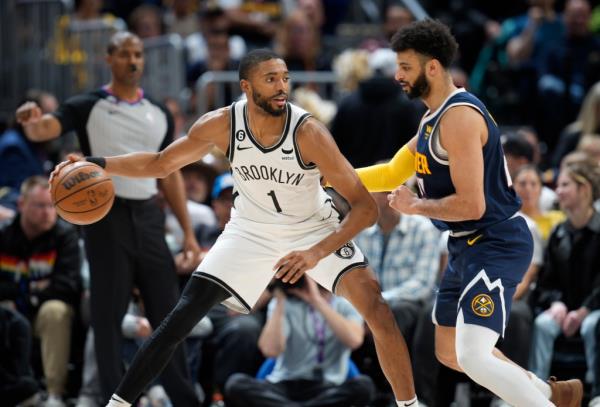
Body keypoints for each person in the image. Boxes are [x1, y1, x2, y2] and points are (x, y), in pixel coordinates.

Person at [50, 48, 420, 407]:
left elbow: (365, 209)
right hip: (250, 230)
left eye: (285, 79)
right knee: (182, 315)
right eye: (270, 79)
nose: (281, 87)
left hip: (312, 228)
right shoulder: (221, 124)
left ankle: (410, 404)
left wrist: (315, 253)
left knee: (376, 306)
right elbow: (161, 164)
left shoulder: (308, 132)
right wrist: (98, 163)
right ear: (246, 86)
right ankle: (117, 403)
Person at [355, 19, 583, 406]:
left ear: (431, 67)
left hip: (496, 240)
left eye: (405, 67)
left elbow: (472, 204)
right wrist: (326, 176)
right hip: (466, 245)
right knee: (449, 351)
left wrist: (415, 206)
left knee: (474, 355)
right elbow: (393, 171)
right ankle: (549, 392)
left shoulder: (460, 116)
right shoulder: (433, 118)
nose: (397, 76)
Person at [15, 32, 201, 406]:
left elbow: (171, 172)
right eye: (125, 54)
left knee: (171, 315)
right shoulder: (89, 104)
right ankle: (115, 401)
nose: (133, 61)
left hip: (149, 215)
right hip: (104, 216)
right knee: (107, 320)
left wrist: (189, 234)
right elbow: (48, 126)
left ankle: (185, 400)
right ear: (109, 59)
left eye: (138, 54)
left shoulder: (159, 113)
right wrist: (32, 123)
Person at [224, 276, 375, 407]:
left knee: (364, 386)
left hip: (328, 386)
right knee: (235, 384)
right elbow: (270, 350)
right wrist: (280, 299)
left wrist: (316, 301)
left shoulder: (344, 303)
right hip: (284, 385)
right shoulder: (282, 305)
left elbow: (354, 340)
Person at [0, 176, 82, 407]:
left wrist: (20, 294)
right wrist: (33, 289)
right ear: (21, 205)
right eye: (40, 206)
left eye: (52, 206)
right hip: (10, 311)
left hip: (43, 312)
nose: (48, 212)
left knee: (54, 310)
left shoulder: (65, 236)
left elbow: (67, 286)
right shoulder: (4, 234)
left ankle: (54, 394)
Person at [529, 160, 600, 391]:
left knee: (591, 326)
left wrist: (583, 311)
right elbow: (546, 282)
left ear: (585, 189)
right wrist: (556, 303)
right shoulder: (559, 233)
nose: (558, 191)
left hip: (594, 310)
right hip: (566, 310)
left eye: (565, 185)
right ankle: (536, 390)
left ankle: (597, 391)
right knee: (542, 323)